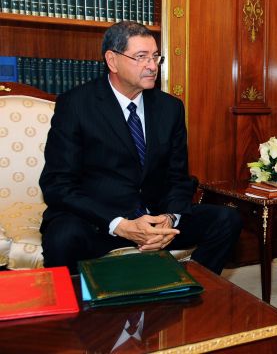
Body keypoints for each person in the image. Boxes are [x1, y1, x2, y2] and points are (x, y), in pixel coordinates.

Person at [39, 21, 241, 274]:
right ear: (112, 61)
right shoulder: (76, 104)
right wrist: (119, 224)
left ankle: (187, 291)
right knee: (62, 237)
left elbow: (178, 177)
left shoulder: (170, 108)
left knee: (226, 219)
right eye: (141, 57)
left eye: (156, 57)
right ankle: (79, 311)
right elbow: (58, 184)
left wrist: (169, 219)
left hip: (155, 219)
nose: (152, 66)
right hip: (101, 221)